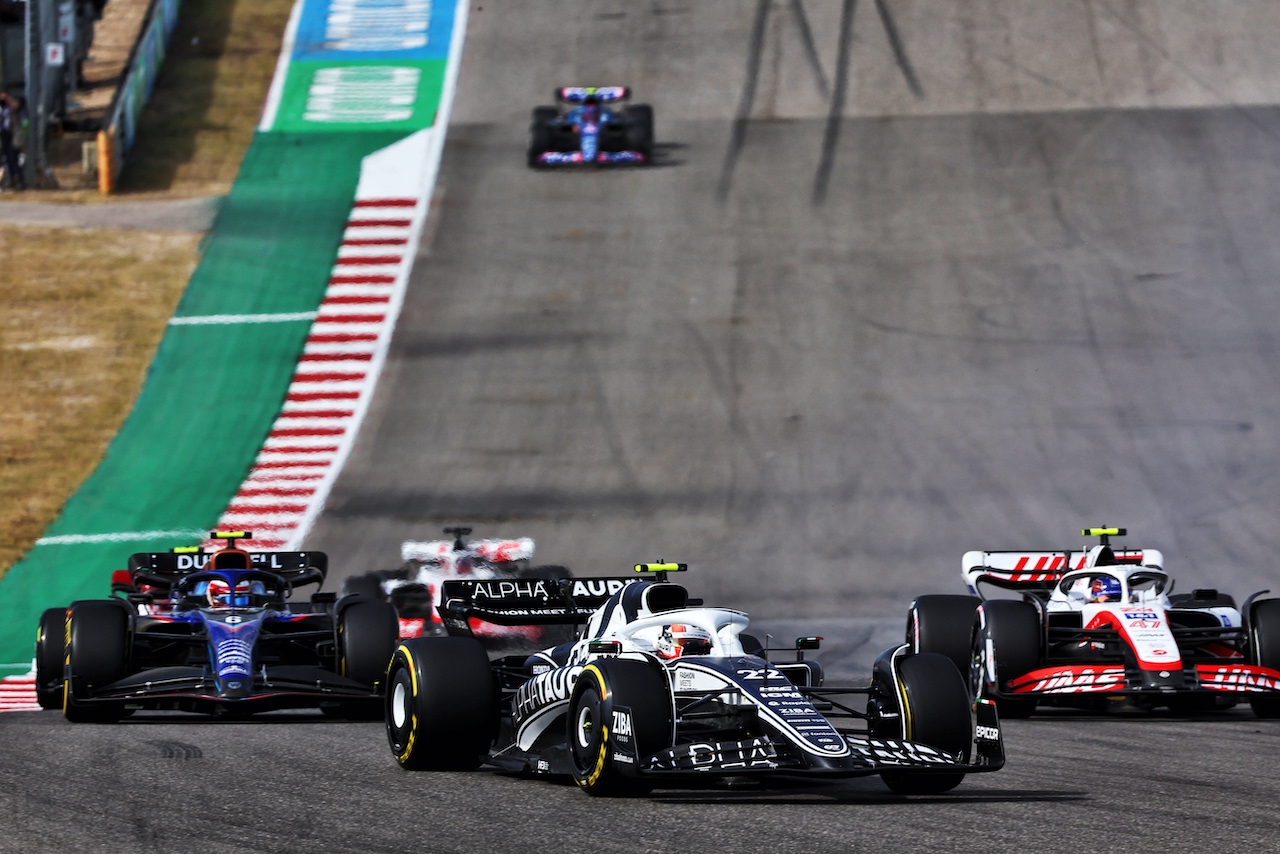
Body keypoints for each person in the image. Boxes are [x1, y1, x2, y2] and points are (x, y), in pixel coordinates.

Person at [0, 91, 26, 191]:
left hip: (14, 135)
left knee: (13, 158)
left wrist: (8, 99)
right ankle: (11, 180)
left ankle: (18, 180)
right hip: (4, 135)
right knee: (7, 158)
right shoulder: (3, 108)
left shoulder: (16, 103)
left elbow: (17, 106)